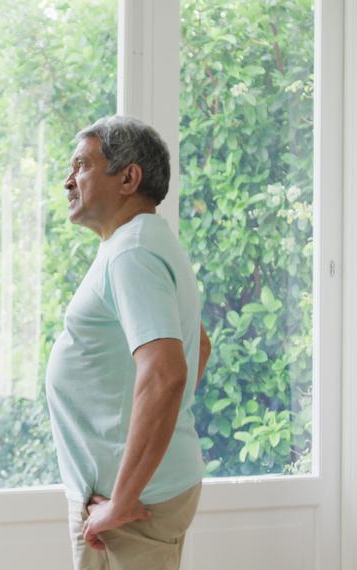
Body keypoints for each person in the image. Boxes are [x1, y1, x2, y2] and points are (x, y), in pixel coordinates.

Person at [46, 115, 212, 570]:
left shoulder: (133, 252)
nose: (68, 180)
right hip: (133, 492)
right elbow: (199, 343)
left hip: (128, 505)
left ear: (128, 177)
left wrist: (122, 500)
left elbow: (165, 374)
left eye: (81, 165)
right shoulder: (141, 243)